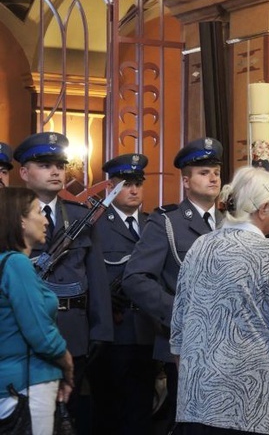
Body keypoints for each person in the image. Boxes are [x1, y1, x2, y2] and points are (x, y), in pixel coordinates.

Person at [171, 166, 269, 434]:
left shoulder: (200, 246)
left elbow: (178, 329)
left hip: (197, 403)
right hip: (252, 408)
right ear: (264, 208)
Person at [13, 132, 112, 432]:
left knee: (69, 415)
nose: (56, 171)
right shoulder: (9, 217)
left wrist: (101, 329)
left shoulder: (81, 217)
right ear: (24, 172)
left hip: (74, 329)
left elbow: (96, 277)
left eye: (60, 164)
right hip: (23, 331)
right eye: (44, 164)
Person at [122, 137, 223, 431]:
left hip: (225, 344)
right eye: (203, 172)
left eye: (216, 170)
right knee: (191, 425)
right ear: (186, 181)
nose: (213, 177)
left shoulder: (230, 221)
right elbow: (135, 278)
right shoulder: (167, 222)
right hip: (185, 344)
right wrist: (180, 312)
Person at [88, 153, 157, 434]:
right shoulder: (95, 226)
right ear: (110, 186)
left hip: (148, 331)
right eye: (126, 183)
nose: (134, 189)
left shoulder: (155, 225)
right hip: (114, 333)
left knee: (143, 412)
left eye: (138, 183)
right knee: (110, 413)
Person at [0, 187, 74, 434]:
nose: (45, 220)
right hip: (27, 383)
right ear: (21, 220)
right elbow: (39, 332)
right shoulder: (17, 264)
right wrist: (66, 361)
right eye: (38, 212)